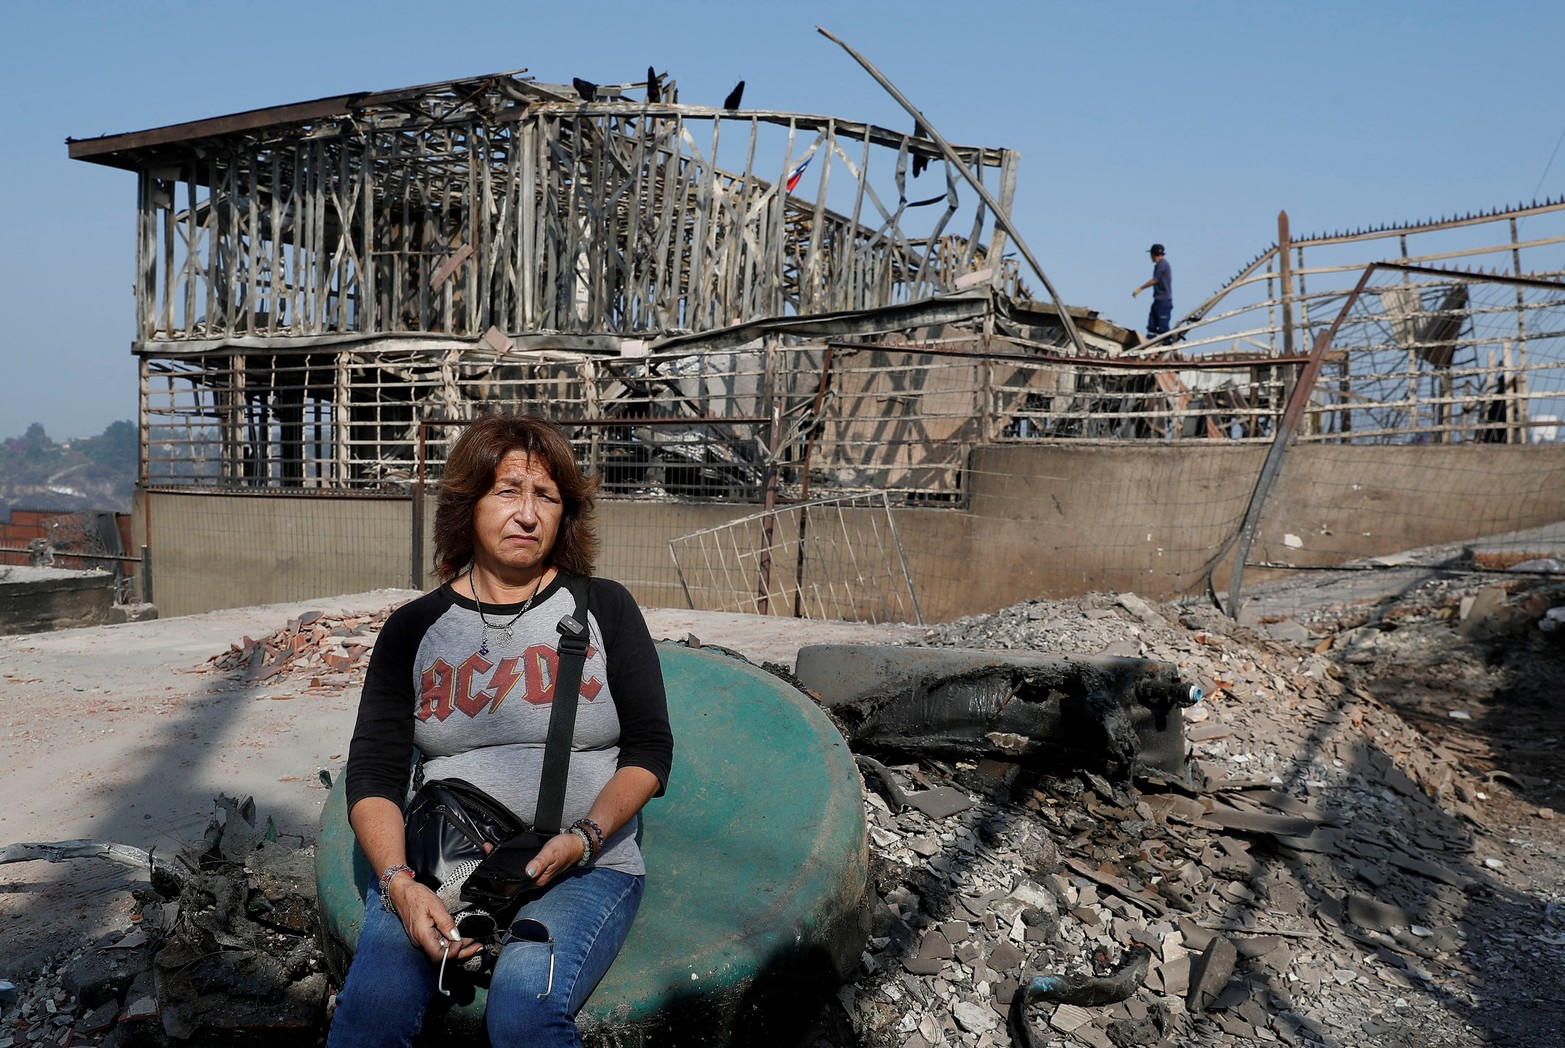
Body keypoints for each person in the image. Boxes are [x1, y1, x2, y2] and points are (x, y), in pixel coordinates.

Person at [327, 414, 674, 1048]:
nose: (528, 514)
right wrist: (401, 887)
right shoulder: (412, 629)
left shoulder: (605, 608)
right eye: (508, 490)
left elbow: (650, 749)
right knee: (368, 1018)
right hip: (439, 868)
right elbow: (373, 773)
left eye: (546, 495)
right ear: (468, 503)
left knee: (521, 1010)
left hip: (584, 870)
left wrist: (586, 838)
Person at [1132, 243, 1173, 338]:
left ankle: (1164, 347)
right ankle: (1149, 345)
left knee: (1163, 327)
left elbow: (1155, 280)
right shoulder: (1159, 265)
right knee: (1152, 325)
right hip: (1158, 300)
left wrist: (1140, 288)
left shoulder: (1162, 265)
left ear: (1153, 254)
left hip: (1164, 301)